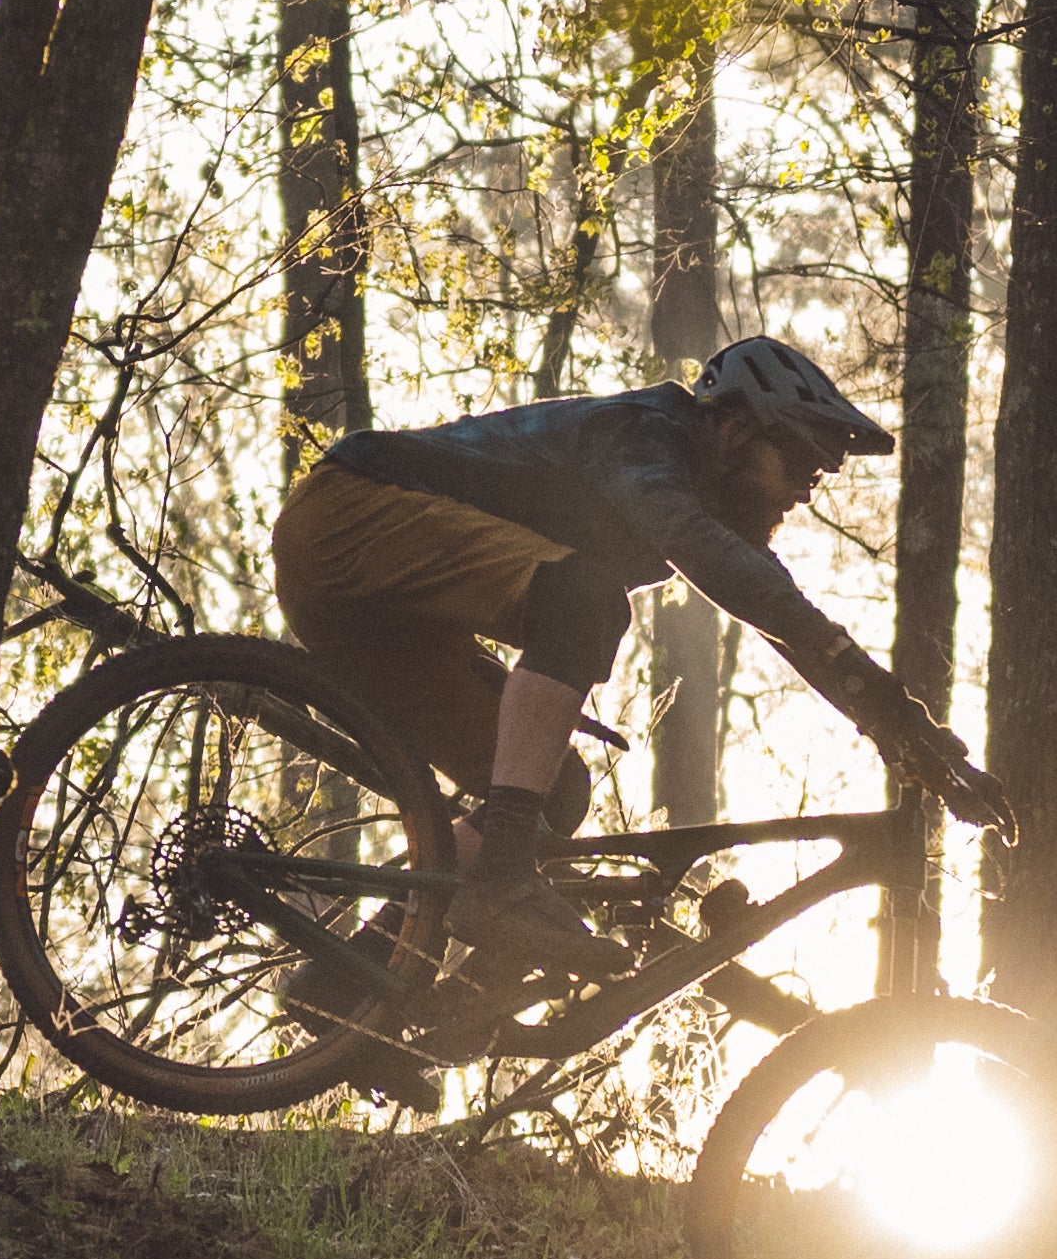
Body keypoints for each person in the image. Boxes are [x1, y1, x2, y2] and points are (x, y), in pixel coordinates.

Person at [271, 334, 1008, 998]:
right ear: (734, 427)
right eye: (797, 464)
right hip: (345, 515)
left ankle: (348, 987)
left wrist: (909, 733)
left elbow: (784, 618)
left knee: (548, 791)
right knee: (584, 601)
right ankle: (499, 886)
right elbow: (724, 569)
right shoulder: (642, 434)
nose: (800, 492)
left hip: (375, 616)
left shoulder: (704, 491)